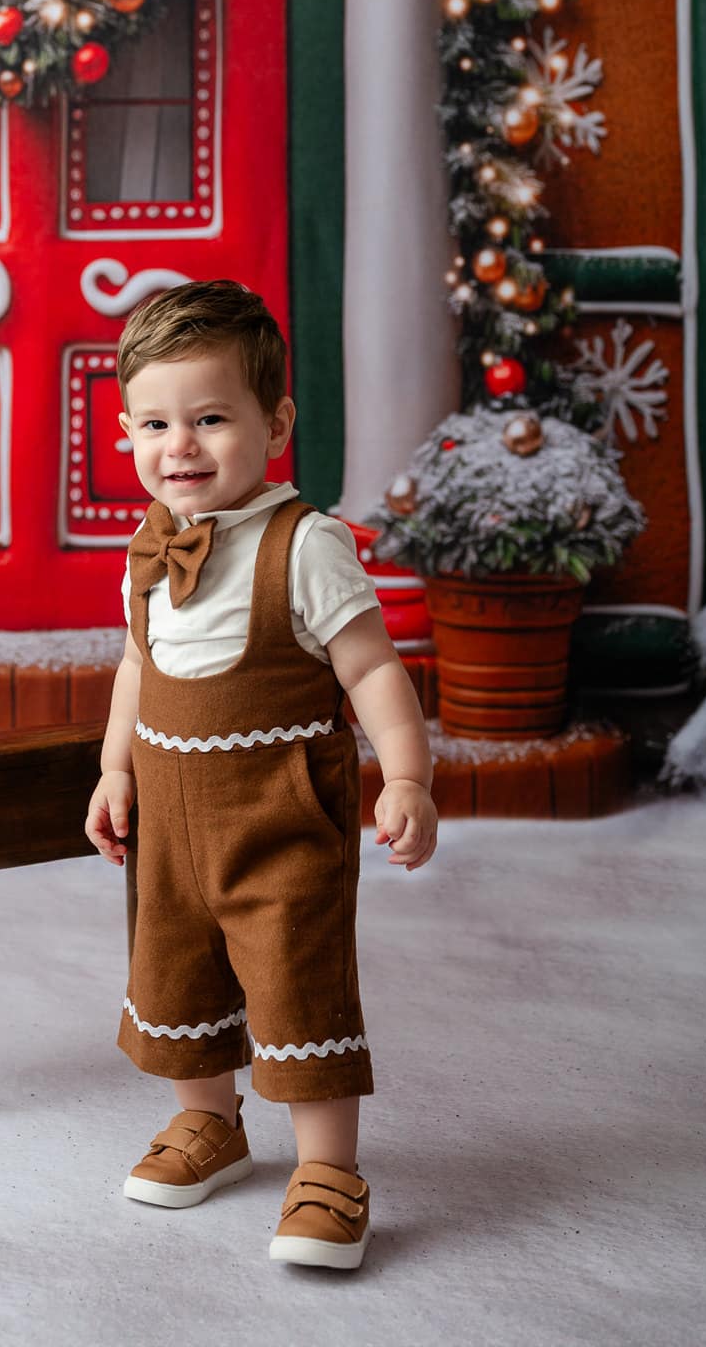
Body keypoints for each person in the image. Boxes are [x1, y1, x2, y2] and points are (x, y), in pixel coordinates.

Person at [85, 279, 438, 1269]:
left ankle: (329, 1168)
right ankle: (210, 1120)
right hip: (173, 823)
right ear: (125, 431)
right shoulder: (147, 551)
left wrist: (404, 774)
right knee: (175, 967)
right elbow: (136, 666)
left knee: (298, 981)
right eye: (156, 422)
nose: (181, 445)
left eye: (210, 417)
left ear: (274, 422)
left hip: (280, 814)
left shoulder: (307, 544)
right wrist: (115, 766)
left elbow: (370, 666)